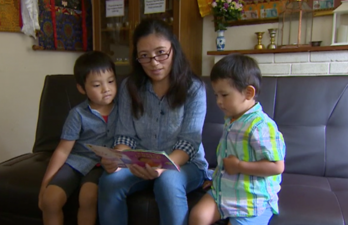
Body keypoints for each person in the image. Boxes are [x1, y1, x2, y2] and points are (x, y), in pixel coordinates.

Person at [98, 18, 209, 225]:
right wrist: (117, 158)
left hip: (184, 163)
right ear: (137, 58)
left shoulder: (194, 88)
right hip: (138, 161)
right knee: (110, 181)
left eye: (161, 52)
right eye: (144, 56)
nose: (154, 63)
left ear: (173, 49)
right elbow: (125, 135)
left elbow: (189, 142)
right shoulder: (129, 87)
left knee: (167, 181)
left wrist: (161, 166)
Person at [189, 54, 286, 225]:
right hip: (222, 192)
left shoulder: (261, 126)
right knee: (198, 217)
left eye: (224, 95)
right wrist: (215, 177)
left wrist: (240, 166)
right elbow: (228, 155)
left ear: (249, 93)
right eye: (216, 95)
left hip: (251, 199)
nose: (218, 101)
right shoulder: (232, 119)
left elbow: (277, 166)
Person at [38, 51, 117, 225]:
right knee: (50, 200)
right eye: (97, 85)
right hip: (76, 161)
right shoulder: (77, 114)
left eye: (111, 81)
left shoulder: (123, 110)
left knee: (88, 197)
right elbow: (63, 149)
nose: (106, 89)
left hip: (102, 165)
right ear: (82, 88)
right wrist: (46, 182)